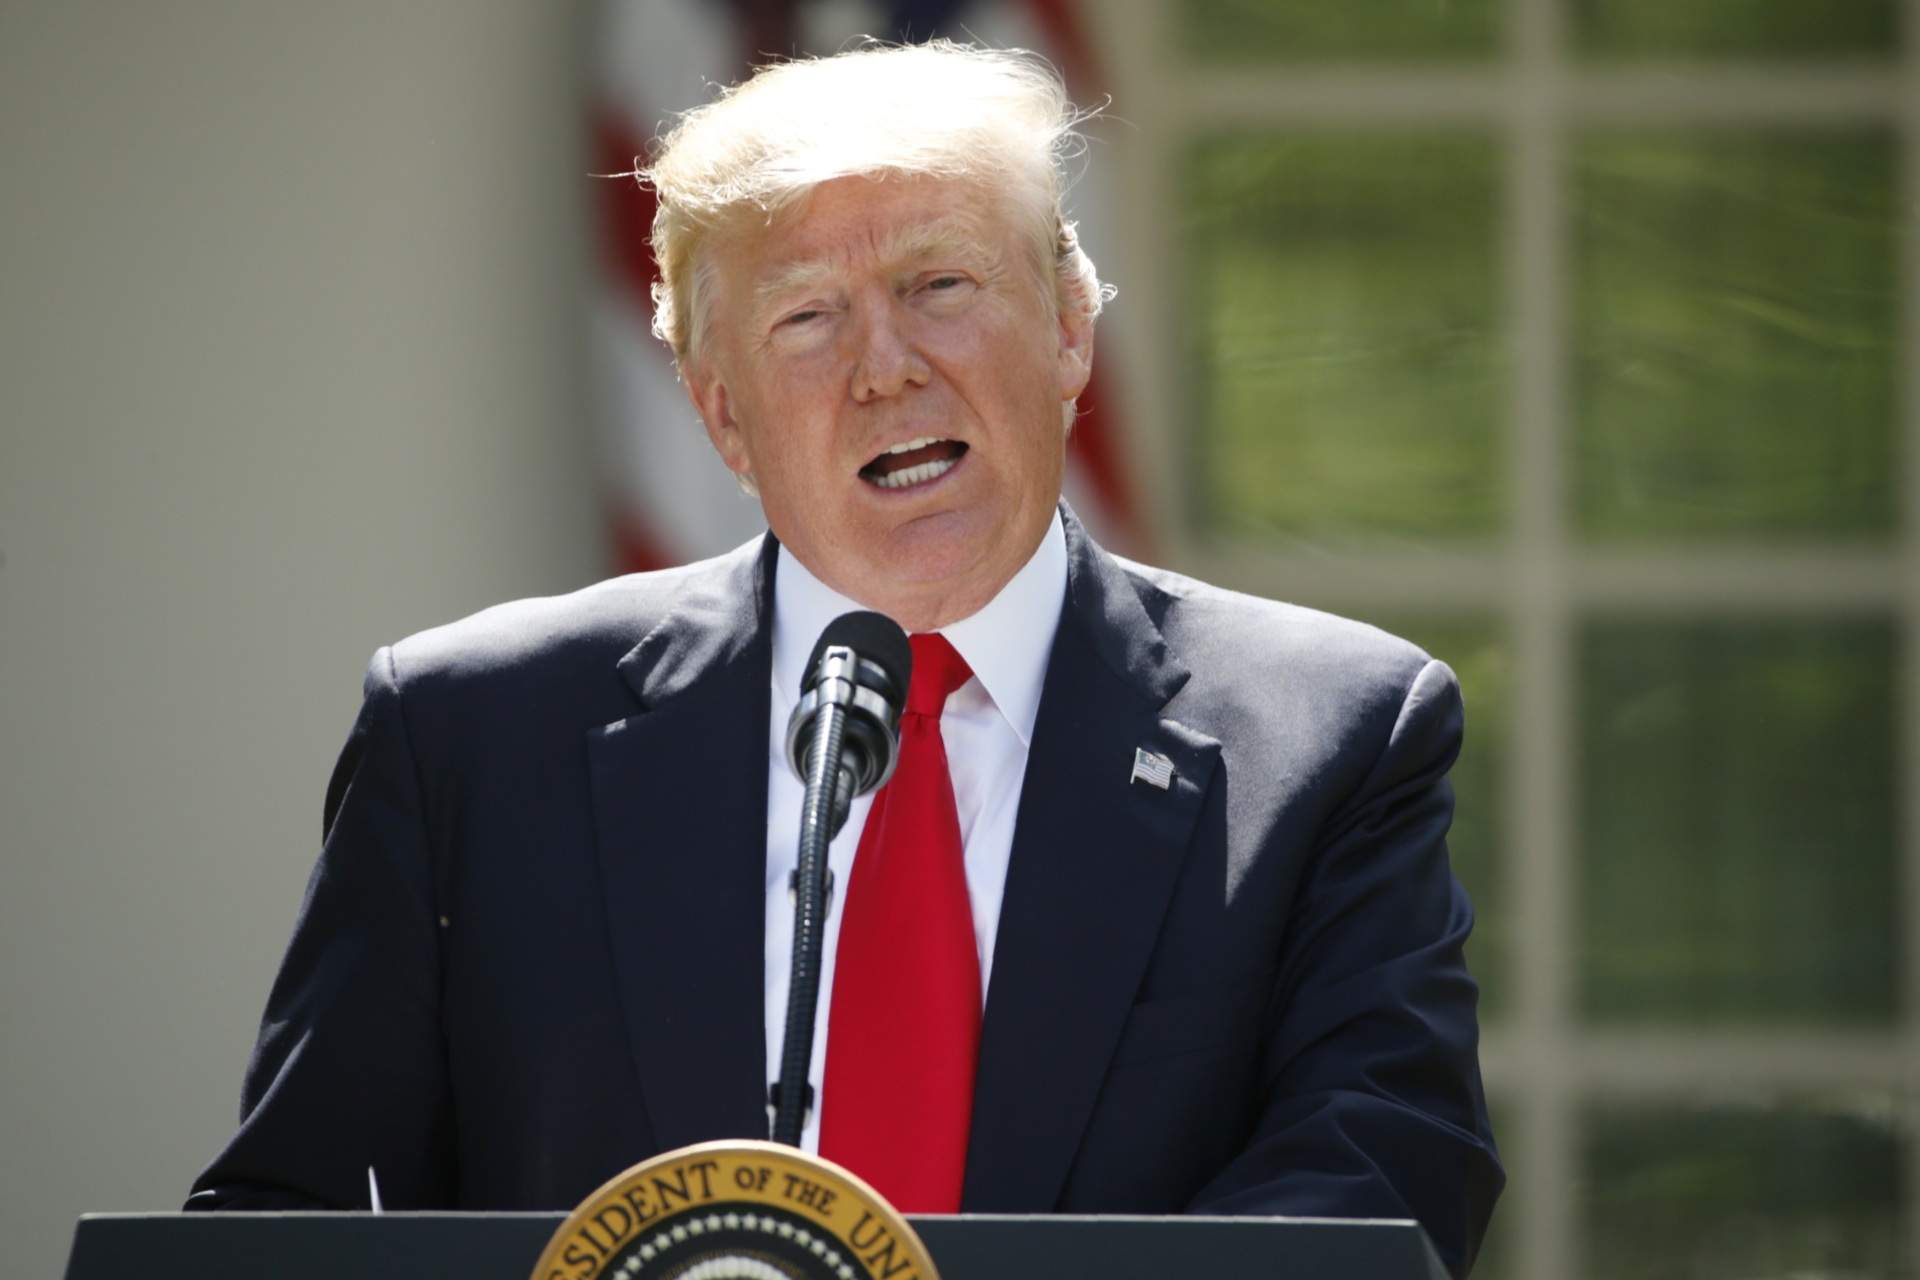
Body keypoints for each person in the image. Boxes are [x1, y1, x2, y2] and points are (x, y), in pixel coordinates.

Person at [187, 42, 1503, 1277]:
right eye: (807, 318)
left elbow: (1381, 1187)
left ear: (1068, 328)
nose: (886, 368)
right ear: (722, 418)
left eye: (940, 285)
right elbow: (284, 1221)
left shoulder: (1333, 737)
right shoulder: (470, 737)